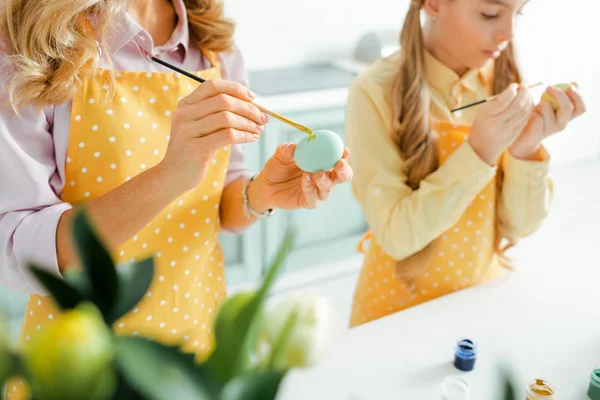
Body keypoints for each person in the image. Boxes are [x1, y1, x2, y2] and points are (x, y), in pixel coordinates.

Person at [0, 0, 352, 396]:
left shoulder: (214, 40)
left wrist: (261, 192)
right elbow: (19, 249)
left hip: (197, 345)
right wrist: (168, 177)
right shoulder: (30, 41)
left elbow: (219, 204)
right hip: (82, 365)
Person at [346, 0, 586, 327]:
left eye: (519, 14)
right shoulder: (374, 90)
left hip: (478, 301)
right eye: (490, 13)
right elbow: (395, 236)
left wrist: (525, 149)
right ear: (433, 4)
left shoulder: (504, 82)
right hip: (395, 311)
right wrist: (479, 152)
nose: (508, 34)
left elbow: (520, 226)